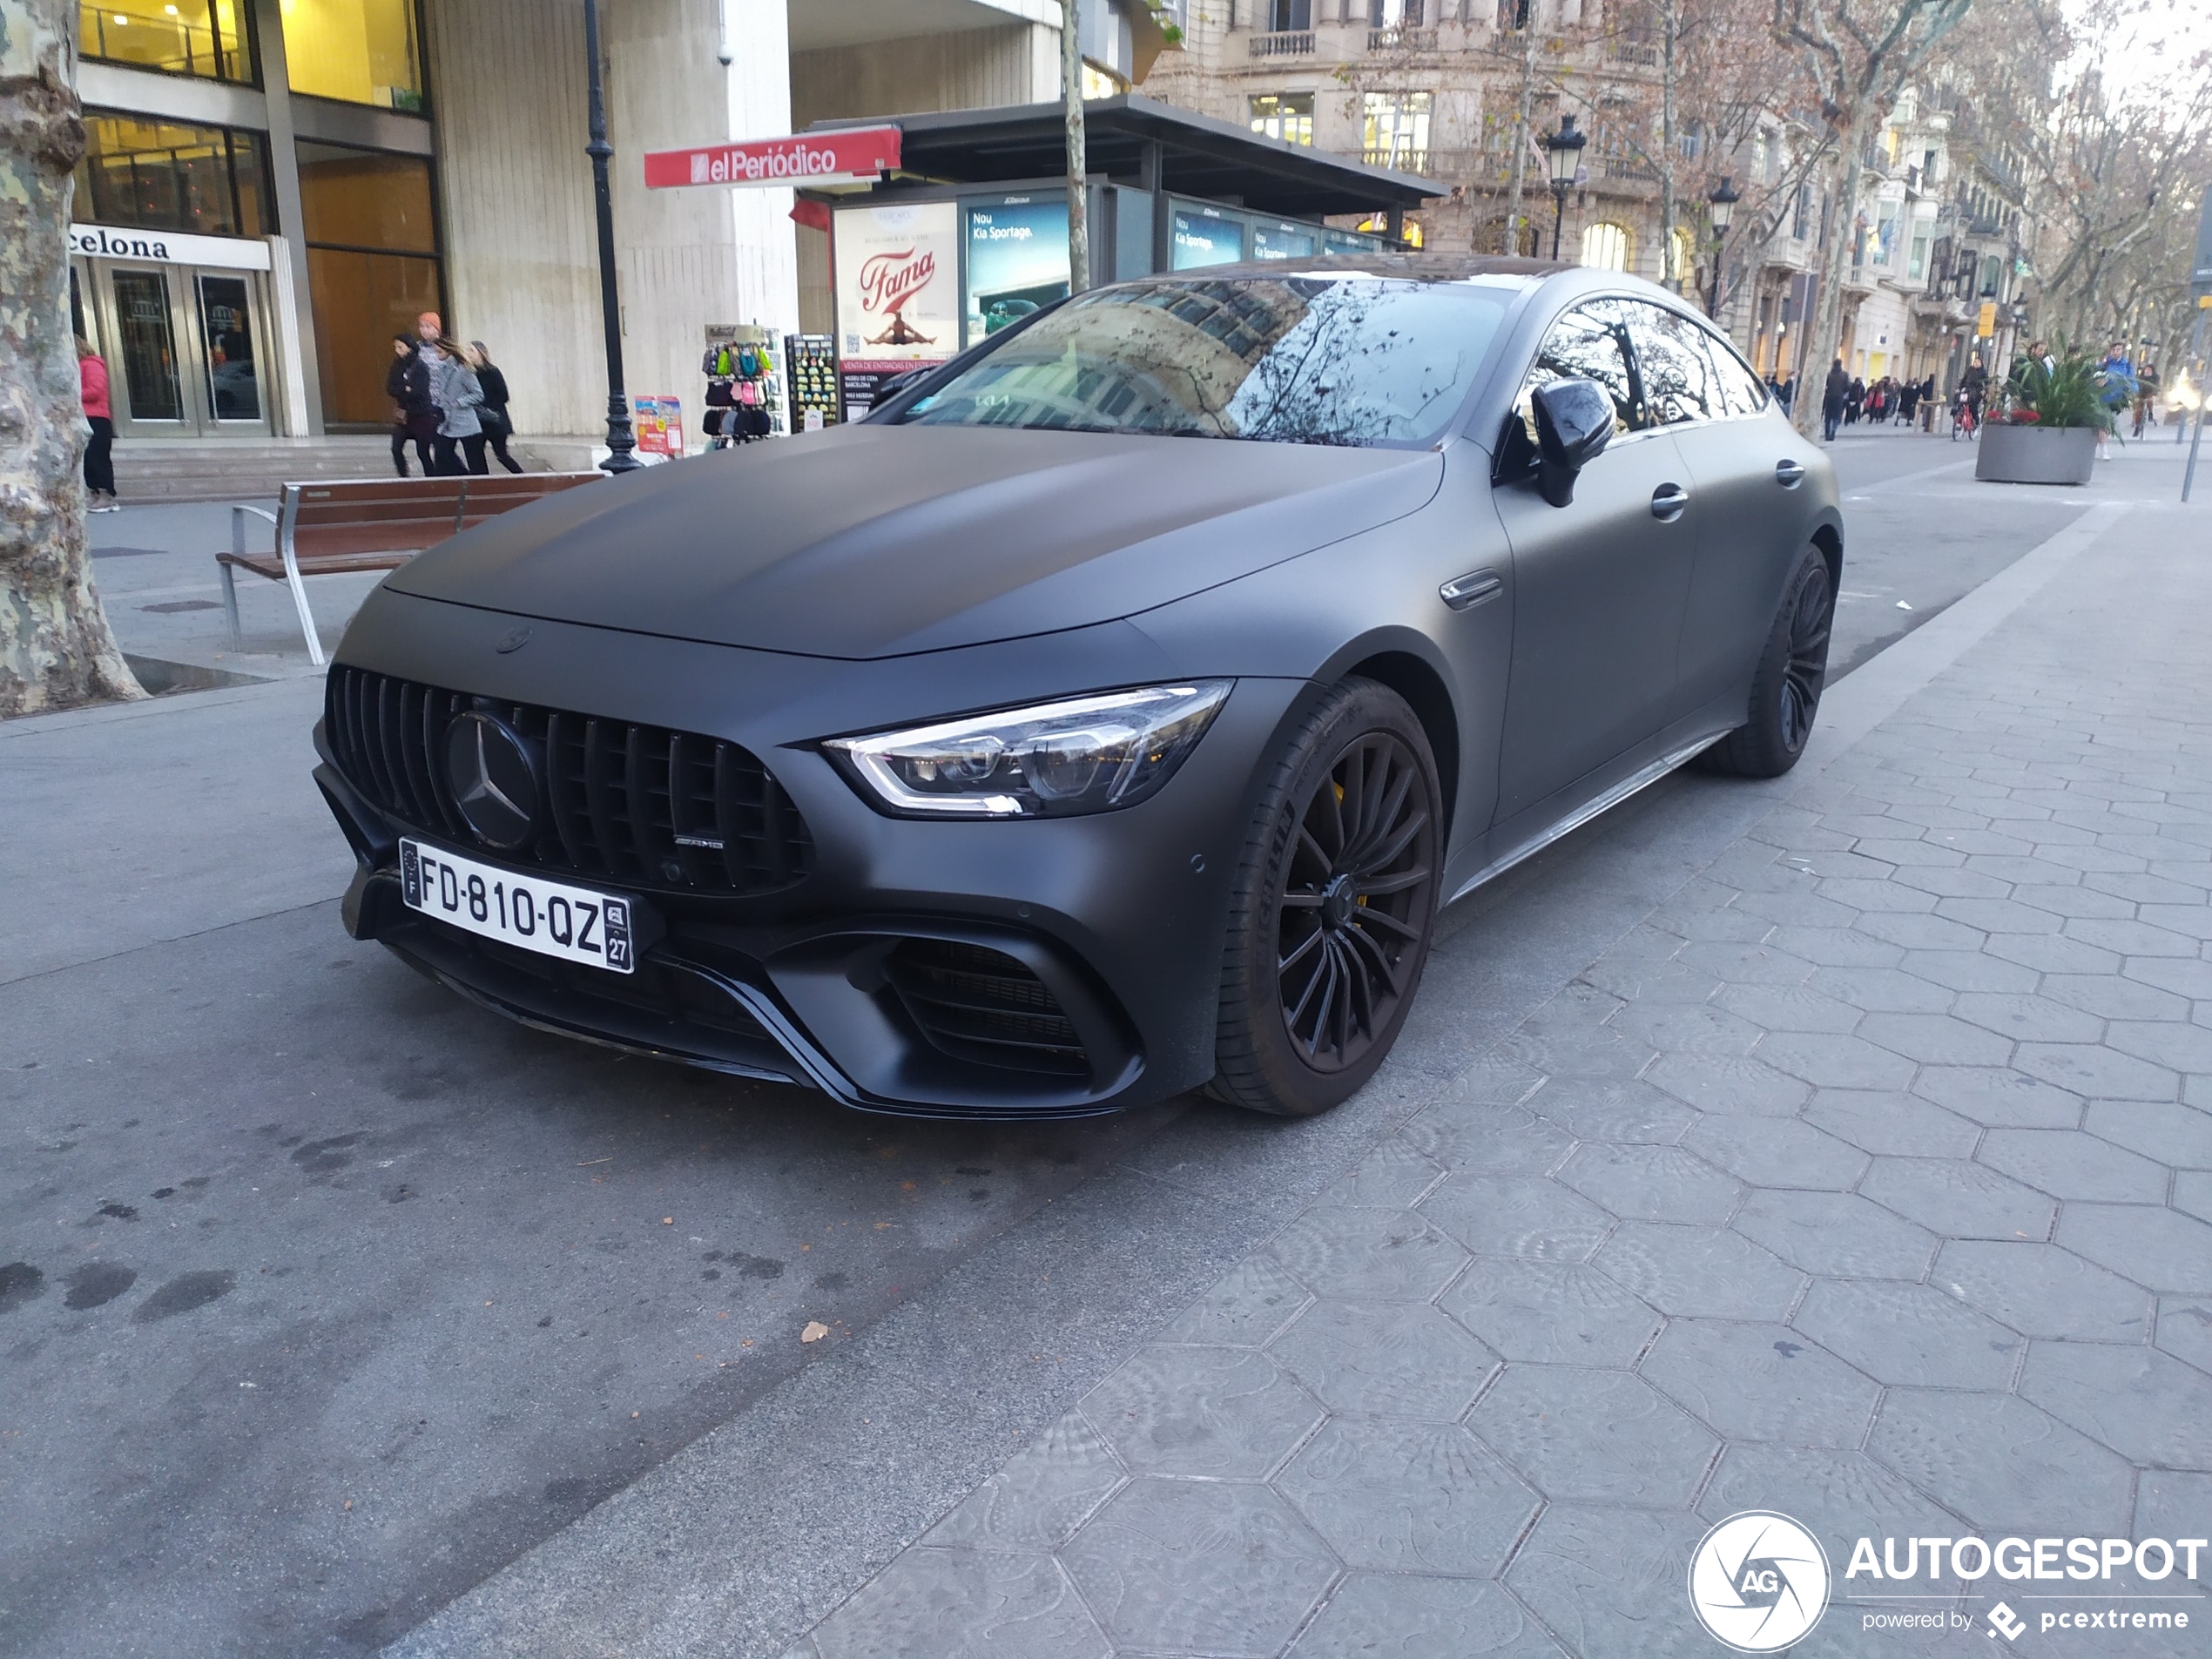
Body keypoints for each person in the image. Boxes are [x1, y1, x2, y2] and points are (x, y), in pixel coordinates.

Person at [427, 339, 487, 474]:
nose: (437, 355)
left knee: (477, 465)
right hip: (447, 422)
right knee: (441, 456)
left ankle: (478, 486)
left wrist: (460, 402)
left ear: (448, 351)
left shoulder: (463, 369)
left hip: (467, 423)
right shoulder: (442, 369)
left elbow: (478, 394)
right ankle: (453, 483)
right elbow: (443, 393)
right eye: (435, 351)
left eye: (439, 351)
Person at [466, 341, 525, 473]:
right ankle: (481, 482)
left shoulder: (493, 371)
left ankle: (521, 477)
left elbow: (504, 395)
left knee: (501, 454)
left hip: (495, 421)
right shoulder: (470, 374)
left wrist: (486, 405)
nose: (468, 354)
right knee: (476, 454)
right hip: (479, 422)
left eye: (471, 351)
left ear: (481, 353)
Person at [78, 336, 118, 510]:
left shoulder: (91, 364)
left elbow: (95, 390)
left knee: (97, 457)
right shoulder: (83, 365)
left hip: (96, 417)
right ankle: (96, 494)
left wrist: (73, 394)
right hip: (87, 416)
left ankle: (106, 495)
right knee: (88, 459)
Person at [387, 334, 435, 476]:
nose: (397, 350)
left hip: (421, 415)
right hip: (404, 415)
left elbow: (419, 391)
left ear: (409, 347)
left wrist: (403, 390)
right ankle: (404, 477)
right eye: (395, 347)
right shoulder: (396, 365)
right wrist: (404, 388)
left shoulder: (420, 366)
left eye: (400, 347)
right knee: (396, 448)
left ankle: (432, 480)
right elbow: (390, 388)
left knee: (423, 452)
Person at [1822, 357, 1849, 442]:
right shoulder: (1844, 375)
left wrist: (1828, 391)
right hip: (1839, 397)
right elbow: (1848, 386)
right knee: (1836, 417)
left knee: (1828, 417)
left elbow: (1824, 385)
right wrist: (1842, 392)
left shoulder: (1829, 375)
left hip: (1829, 397)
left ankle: (1827, 433)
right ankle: (1833, 432)